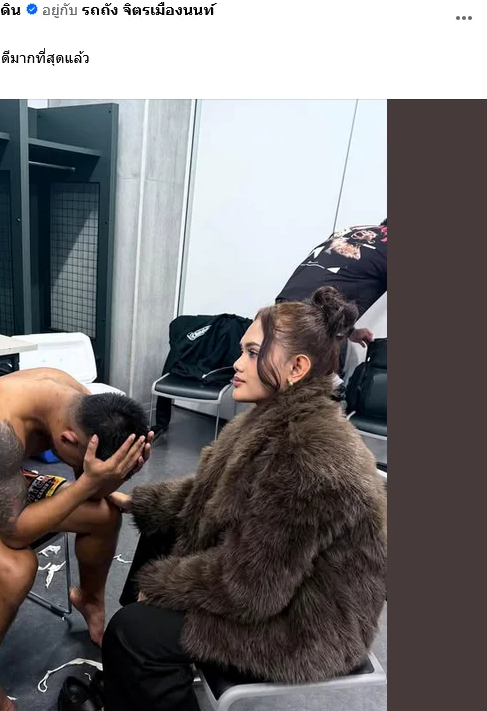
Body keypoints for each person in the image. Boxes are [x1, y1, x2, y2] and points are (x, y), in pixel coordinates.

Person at [100, 287, 387, 711]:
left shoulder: (309, 455)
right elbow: (212, 494)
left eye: (252, 353)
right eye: (242, 351)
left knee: (133, 633)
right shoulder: (270, 416)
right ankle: (131, 684)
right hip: (281, 587)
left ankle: (142, 667)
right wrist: (136, 501)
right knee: (158, 536)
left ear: (297, 368)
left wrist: (161, 587)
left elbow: (251, 589)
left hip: (308, 626)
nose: (236, 363)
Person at [0, 367, 152, 711]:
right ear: (70, 441)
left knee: (104, 515)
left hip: (2, 479)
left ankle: (88, 598)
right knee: (14, 568)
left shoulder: (78, 402)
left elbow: (90, 487)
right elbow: (15, 533)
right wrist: (90, 484)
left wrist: (110, 478)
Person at [277, 219, 387, 379]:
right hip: (315, 322)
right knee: (312, 387)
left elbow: (339, 276)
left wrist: (349, 331)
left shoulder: (352, 229)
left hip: (283, 308)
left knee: (278, 378)